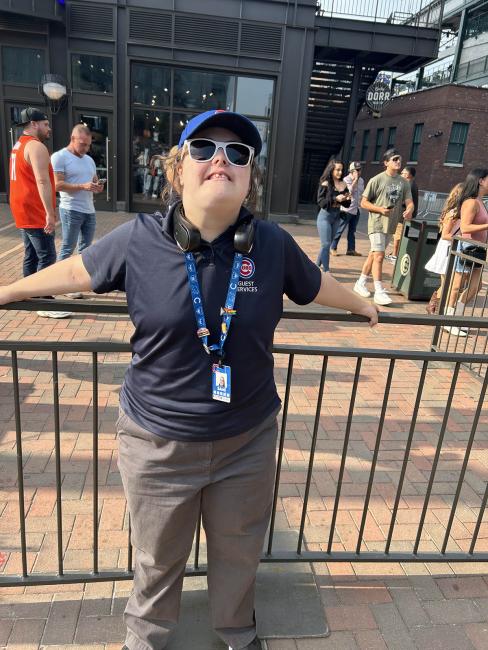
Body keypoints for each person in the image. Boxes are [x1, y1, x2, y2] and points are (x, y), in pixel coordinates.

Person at [0, 109, 378, 650]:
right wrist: (9, 290)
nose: (220, 160)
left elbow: (316, 285)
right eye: (204, 149)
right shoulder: (139, 238)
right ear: (180, 168)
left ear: (251, 177)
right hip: (157, 441)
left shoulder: (270, 244)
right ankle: (147, 637)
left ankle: (237, 631)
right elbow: (76, 271)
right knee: (158, 556)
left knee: (239, 549)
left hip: (246, 439)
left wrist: (361, 303)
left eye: (237, 153)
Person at [8, 106, 70, 319]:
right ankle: (44, 302)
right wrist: (50, 214)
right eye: (45, 124)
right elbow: (43, 180)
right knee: (47, 255)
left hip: (21, 208)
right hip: (33, 209)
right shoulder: (36, 147)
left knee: (31, 254)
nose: (49, 128)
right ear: (33, 124)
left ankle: (28, 295)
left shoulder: (18, 145)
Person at [353, 149, 414, 306]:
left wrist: (409, 209)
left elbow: (409, 202)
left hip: (391, 225)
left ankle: (360, 283)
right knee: (379, 256)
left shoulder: (404, 182)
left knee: (374, 255)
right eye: (394, 159)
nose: (398, 162)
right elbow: (363, 202)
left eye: (399, 159)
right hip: (377, 223)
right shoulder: (377, 180)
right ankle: (379, 291)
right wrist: (380, 209)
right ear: (386, 162)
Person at [52, 124, 104, 298]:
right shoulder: (59, 157)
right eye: (83, 144)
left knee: (86, 249)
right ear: (73, 139)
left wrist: (97, 187)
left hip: (89, 210)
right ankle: (61, 285)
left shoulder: (89, 160)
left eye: (88, 145)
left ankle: (79, 282)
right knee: (68, 247)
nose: (86, 148)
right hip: (70, 209)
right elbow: (57, 185)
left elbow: (94, 181)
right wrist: (82, 186)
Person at [443, 168, 488, 337]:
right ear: (481, 181)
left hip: (479, 249)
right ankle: (447, 320)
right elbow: (466, 227)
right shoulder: (471, 202)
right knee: (456, 285)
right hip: (467, 247)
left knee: (476, 287)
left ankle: (456, 316)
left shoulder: (480, 201)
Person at [424, 183, 462, 315]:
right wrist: (460, 238)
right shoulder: (454, 213)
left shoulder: (456, 212)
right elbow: (445, 235)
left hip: (449, 248)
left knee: (447, 282)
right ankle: (434, 306)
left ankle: (434, 305)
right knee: (447, 282)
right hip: (447, 248)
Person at [316, 159, 351, 272]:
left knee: (327, 245)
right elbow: (320, 201)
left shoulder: (343, 184)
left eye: (341, 170)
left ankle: (316, 266)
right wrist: (335, 198)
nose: (340, 172)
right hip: (324, 217)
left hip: (336, 217)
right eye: (337, 170)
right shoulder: (325, 183)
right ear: (331, 170)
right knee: (326, 244)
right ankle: (326, 271)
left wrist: (347, 199)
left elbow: (347, 204)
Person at [330, 161, 364, 257]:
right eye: (356, 170)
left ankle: (351, 250)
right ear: (351, 171)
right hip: (346, 209)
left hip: (357, 209)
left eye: (360, 170)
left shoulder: (361, 181)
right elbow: (348, 192)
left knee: (352, 231)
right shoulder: (345, 180)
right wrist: (355, 180)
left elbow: (362, 193)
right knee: (339, 230)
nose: (359, 172)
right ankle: (333, 247)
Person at [387, 165, 419, 263]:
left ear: (409, 174)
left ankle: (395, 255)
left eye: (404, 172)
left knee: (398, 236)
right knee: (399, 235)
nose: (402, 174)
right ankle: (395, 254)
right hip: (406, 214)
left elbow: (403, 201)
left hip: (403, 215)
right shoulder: (411, 184)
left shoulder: (409, 185)